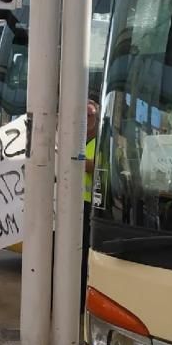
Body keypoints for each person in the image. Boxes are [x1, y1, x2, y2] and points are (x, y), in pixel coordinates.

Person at [81, 99, 99, 306]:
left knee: (85, 255)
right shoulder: (75, 138)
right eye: (84, 116)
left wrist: (77, 161)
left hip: (90, 207)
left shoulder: (101, 141)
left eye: (90, 116)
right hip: (70, 205)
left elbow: (97, 166)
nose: (87, 120)